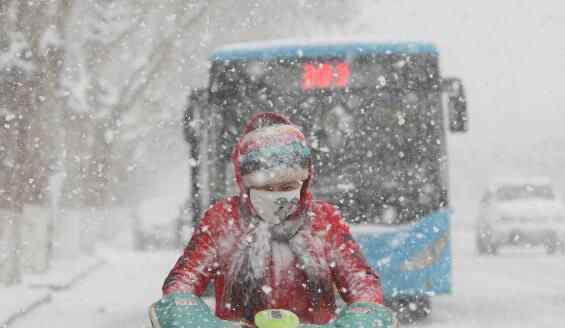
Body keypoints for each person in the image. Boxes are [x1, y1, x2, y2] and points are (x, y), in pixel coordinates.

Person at [151, 112, 393, 328]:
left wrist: (362, 315)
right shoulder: (222, 221)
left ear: (304, 182)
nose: (278, 195)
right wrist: (190, 314)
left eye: (287, 186)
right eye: (266, 187)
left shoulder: (323, 221)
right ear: (245, 184)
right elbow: (183, 282)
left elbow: (362, 284)